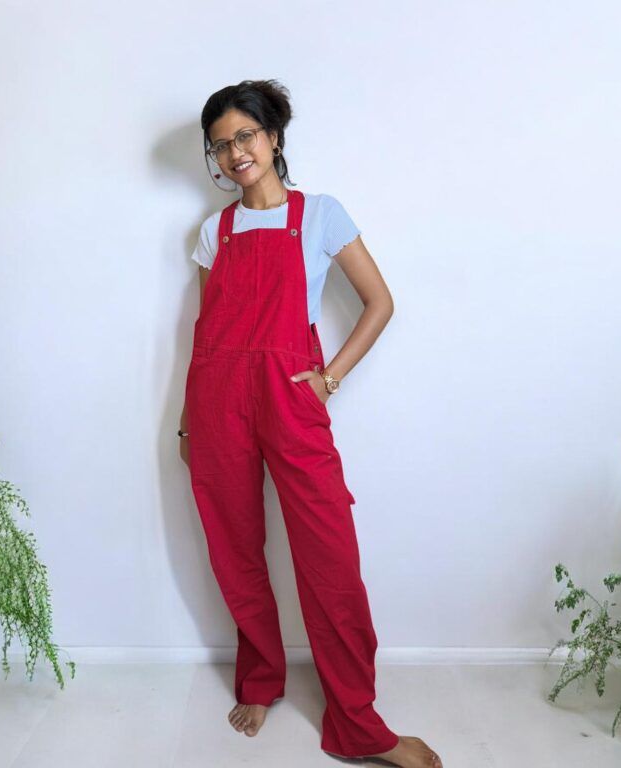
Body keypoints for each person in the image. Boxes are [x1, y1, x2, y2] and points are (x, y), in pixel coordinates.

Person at [179, 79, 442, 768]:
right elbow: (206, 333)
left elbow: (379, 302)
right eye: (220, 145)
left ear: (272, 137)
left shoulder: (320, 214)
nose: (234, 152)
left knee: (330, 559)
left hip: (291, 398)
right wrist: (187, 423)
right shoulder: (214, 232)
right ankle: (260, 680)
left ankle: (358, 722)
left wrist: (329, 378)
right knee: (235, 550)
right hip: (217, 402)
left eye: (244, 135)